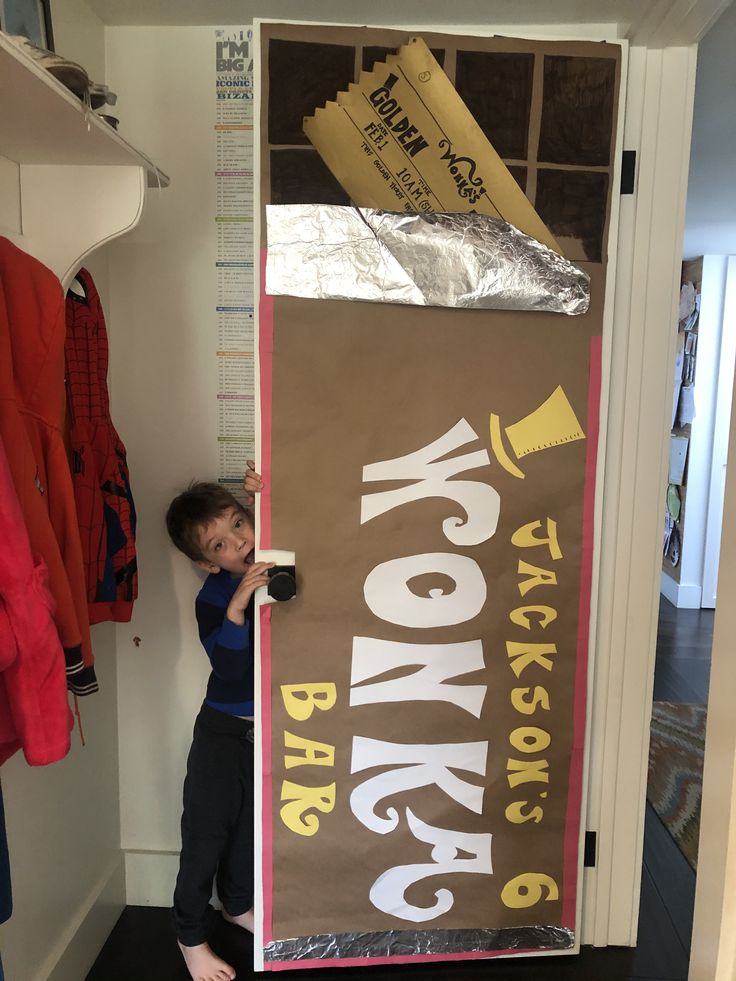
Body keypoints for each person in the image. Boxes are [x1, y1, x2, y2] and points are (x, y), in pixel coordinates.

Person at [165, 463, 269, 981]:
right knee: (206, 834)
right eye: (220, 545)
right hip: (222, 732)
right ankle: (190, 935)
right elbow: (229, 668)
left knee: (250, 827)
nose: (238, 543)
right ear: (207, 564)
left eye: (239, 524)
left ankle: (237, 904)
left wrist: (268, 490)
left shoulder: (272, 559)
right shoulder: (213, 597)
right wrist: (237, 606)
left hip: (265, 729)